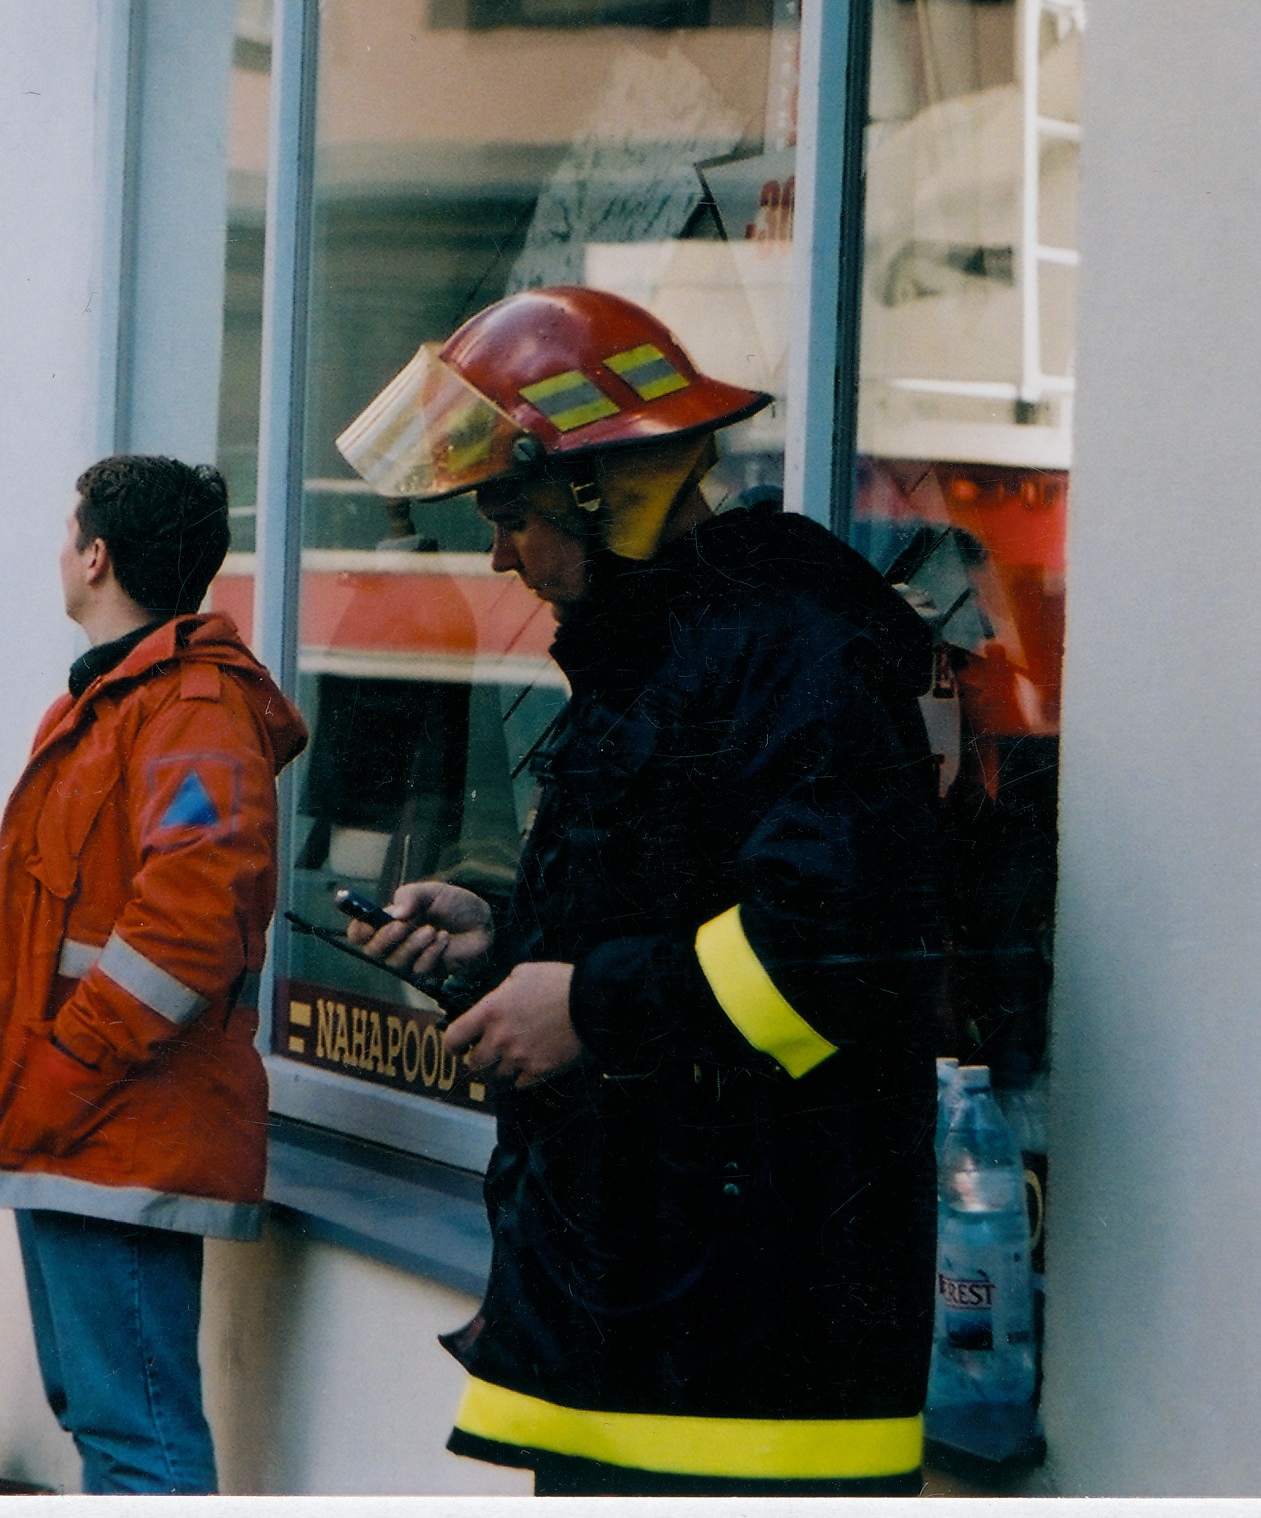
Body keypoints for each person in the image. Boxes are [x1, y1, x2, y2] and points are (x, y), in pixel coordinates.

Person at [337, 286, 943, 1497]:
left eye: (505, 513)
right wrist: (504, 941)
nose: (498, 554)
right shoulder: (672, 643)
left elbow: (840, 953)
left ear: (591, 491)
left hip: (742, 1349)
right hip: (650, 1317)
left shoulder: (791, 647)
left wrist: (587, 1005)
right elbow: (676, 902)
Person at [0, 455, 306, 1494]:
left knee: (137, 1437)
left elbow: (190, 917)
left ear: (94, 555)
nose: (58, 550)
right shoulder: (118, 702)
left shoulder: (186, 709)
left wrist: (63, 1068)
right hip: (76, 1122)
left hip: (112, 1124)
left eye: (66, 531)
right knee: (103, 1417)